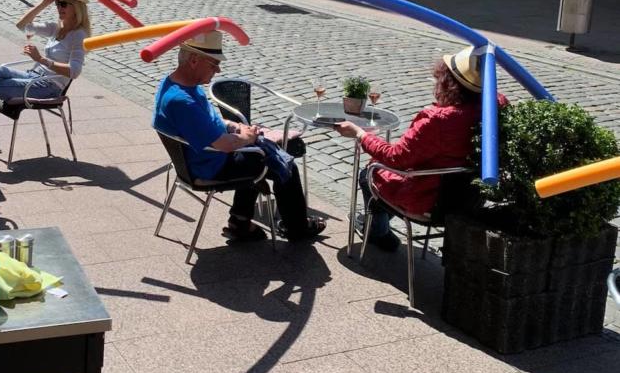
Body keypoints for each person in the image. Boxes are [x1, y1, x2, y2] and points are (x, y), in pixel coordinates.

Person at [153, 31, 326, 244]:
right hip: (210, 166)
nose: (218, 69)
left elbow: (208, 122)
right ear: (194, 60)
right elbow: (225, 145)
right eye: (214, 64)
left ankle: (241, 221)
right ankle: (297, 228)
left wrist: (234, 126)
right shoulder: (182, 101)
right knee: (283, 161)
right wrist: (248, 138)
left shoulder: (175, 85)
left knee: (265, 153)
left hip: (199, 159)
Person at [333, 47, 504, 252]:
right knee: (383, 171)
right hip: (470, 199)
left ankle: (378, 232)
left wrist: (360, 134)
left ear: (448, 82)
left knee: (369, 173)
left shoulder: (439, 120)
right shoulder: (497, 105)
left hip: (429, 200)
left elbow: (396, 157)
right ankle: (378, 224)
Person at [0, 0, 89, 103]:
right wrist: (44, 3)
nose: (59, 8)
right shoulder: (56, 27)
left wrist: (41, 59)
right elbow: (22, 25)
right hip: (34, 76)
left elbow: (74, 71)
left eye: (63, 4)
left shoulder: (79, 35)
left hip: (49, 87)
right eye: (57, 3)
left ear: (77, 7)